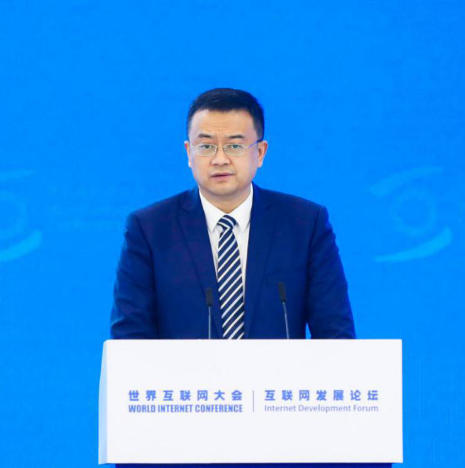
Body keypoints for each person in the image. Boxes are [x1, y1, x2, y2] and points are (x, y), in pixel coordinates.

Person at [110, 88, 355, 340]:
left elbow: (336, 334)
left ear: (260, 153)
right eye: (206, 146)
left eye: (234, 146)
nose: (220, 159)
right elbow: (129, 338)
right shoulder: (150, 229)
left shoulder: (305, 225)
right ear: (188, 153)